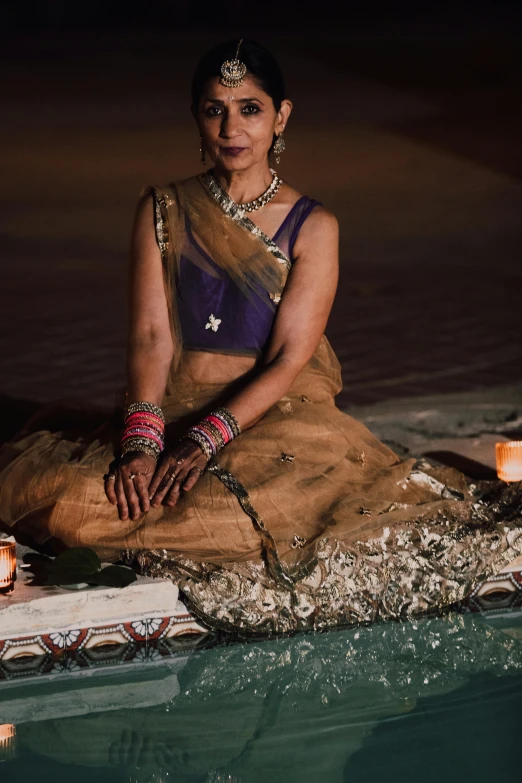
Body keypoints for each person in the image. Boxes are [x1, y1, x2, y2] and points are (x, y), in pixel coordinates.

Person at [0, 39, 521, 637]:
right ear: (197, 117)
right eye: (214, 108)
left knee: (265, 515)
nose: (231, 127)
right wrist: (143, 442)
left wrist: (206, 438)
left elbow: (288, 357)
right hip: (169, 408)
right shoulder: (163, 208)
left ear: (282, 116)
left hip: (274, 415)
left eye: (249, 108)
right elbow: (150, 337)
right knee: (69, 501)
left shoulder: (314, 227)